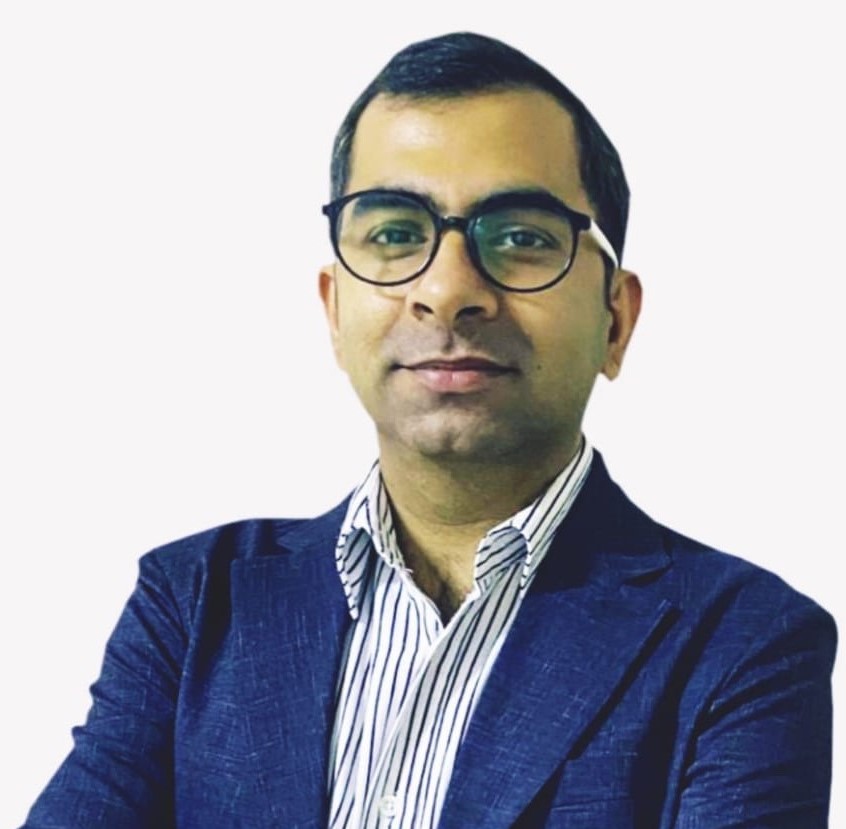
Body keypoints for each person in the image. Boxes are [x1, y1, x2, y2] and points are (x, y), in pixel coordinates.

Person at [22, 31, 835, 829]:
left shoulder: (744, 644)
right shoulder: (195, 603)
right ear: (334, 310)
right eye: (395, 234)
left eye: (520, 237)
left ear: (615, 321)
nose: (447, 291)